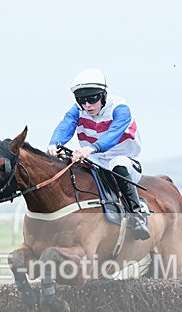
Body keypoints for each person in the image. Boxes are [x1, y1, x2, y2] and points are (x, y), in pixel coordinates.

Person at [47, 68, 150, 240]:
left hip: (124, 159)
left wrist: (92, 148)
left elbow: (113, 134)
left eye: (92, 99)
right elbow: (66, 125)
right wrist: (54, 143)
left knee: (118, 164)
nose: (87, 105)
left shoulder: (120, 108)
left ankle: (137, 214)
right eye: (82, 100)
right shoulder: (78, 109)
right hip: (94, 158)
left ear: (103, 95)